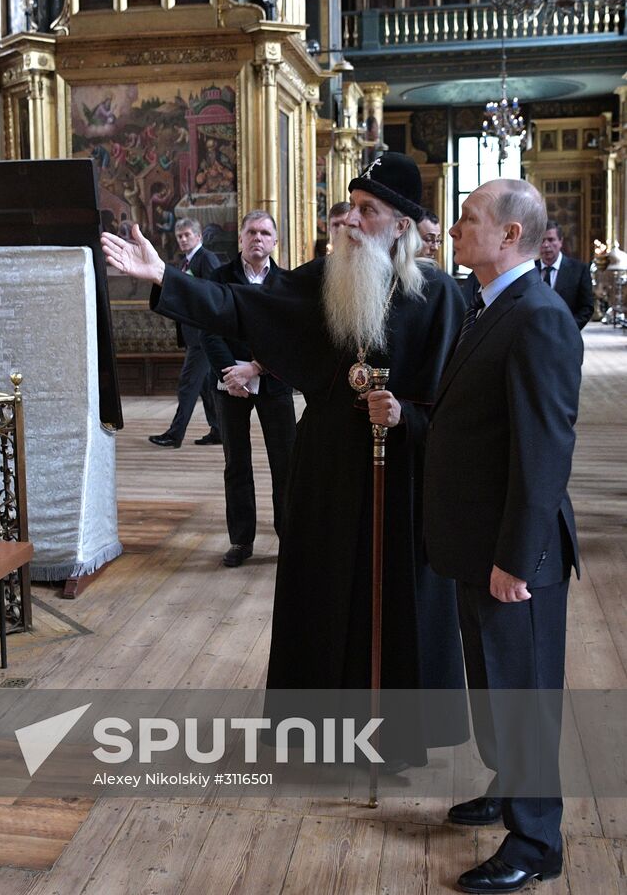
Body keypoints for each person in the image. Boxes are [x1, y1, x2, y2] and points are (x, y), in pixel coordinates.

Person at [104, 152, 468, 766]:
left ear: (401, 224)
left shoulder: (439, 299)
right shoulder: (322, 280)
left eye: (367, 211)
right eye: (351, 208)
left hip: (398, 473)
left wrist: (410, 417)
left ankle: (398, 738)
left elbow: (456, 406)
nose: (350, 220)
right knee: (321, 591)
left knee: (393, 599)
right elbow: (241, 306)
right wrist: (164, 278)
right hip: (326, 465)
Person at [425, 179, 580, 894]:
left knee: (521, 695)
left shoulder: (538, 316)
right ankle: (505, 789)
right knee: (491, 686)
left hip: (512, 553)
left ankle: (535, 840)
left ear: (509, 235)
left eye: (467, 219)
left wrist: (516, 559)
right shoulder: (489, 303)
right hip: (473, 539)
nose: (453, 229)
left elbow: (543, 452)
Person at [202, 210, 295, 567]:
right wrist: (232, 375)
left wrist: (256, 369)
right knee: (236, 463)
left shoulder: (285, 283)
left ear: (274, 242)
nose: (257, 238)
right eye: (251, 232)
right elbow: (207, 328)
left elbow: (290, 337)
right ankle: (241, 541)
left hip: (273, 382)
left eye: (265, 233)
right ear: (241, 239)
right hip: (231, 386)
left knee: (285, 464)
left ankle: (289, 537)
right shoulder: (220, 277)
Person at [148, 218, 220, 448]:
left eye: (187, 235)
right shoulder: (184, 262)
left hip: (203, 335)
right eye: (179, 236)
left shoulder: (206, 259)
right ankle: (219, 430)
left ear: (198, 236)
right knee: (205, 386)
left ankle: (174, 434)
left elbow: (214, 293)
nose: (183, 239)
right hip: (193, 334)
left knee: (187, 384)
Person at [536, 220, 594, 330]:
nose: (546, 245)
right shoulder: (530, 270)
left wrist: (569, 330)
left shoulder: (579, 270)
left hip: (567, 336)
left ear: (560, 241)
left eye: (551, 239)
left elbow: (587, 308)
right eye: (542, 240)